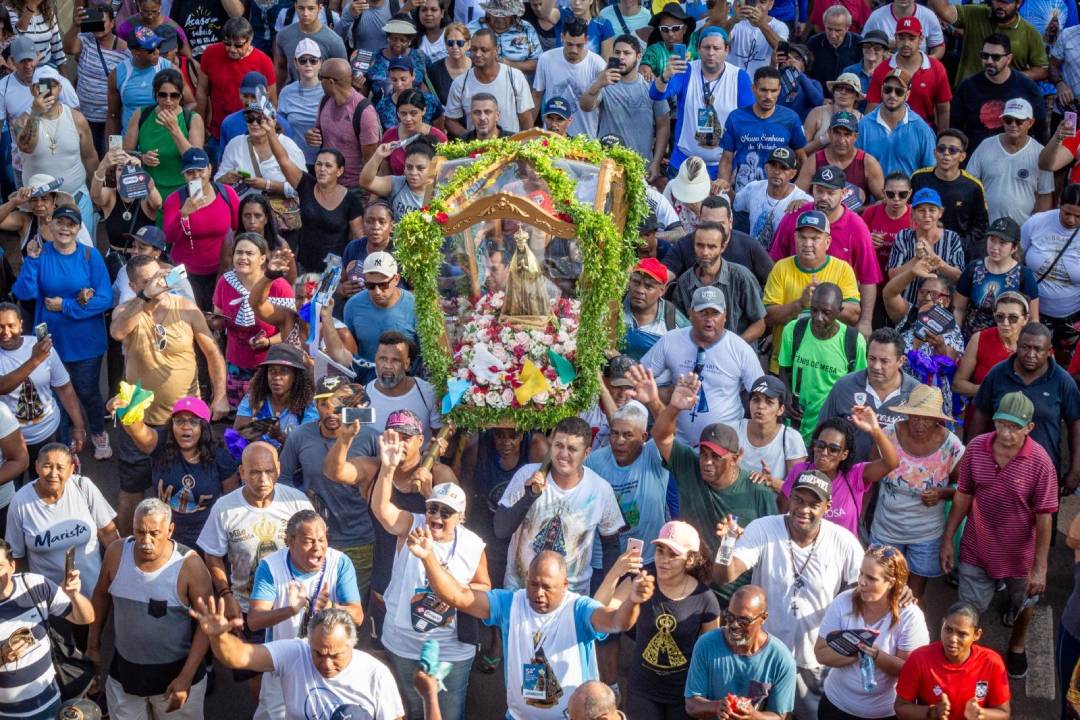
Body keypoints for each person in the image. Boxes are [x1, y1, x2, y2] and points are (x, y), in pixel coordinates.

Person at [410, 539, 653, 719]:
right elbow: (459, 597)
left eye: (547, 587)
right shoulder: (509, 603)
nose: (538, 593)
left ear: (565, 585)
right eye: (533, 584)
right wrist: (428, 557)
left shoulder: (578, 609)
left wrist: (633, 601)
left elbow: (617, 622)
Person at [714, 469, 864, 720]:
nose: (803, 509)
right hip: (764, 656)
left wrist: (900, 591)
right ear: (789, 498)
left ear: (827, 507)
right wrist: (727, 544)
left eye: (813, 503)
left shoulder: (843, 541)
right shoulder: (763, 528)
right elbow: (723, 577)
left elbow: (865, 586)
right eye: (798, 500)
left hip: (812, 662)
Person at [370, 432, 488, 720]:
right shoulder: (413, 525)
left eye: (446, 512)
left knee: (448, 712)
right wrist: (387, 468)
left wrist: (450, 588)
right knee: (409, 709)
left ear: (460, 517)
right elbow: (382, 510)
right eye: (433, 507)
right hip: (402, 643)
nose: (436, 515)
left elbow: (484, 587)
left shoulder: (473, 544)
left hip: (450, 649)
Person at [110, 254, 229, 536]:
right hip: (140, 420)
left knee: (192, 486)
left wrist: (220, 395)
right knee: (131, 490)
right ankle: (128, 550)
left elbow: (212, 353)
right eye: (146, 281)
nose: (156, 285)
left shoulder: (186, 308)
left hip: (186, 419)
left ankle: (198, 545)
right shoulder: (127, 310)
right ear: (133, 284)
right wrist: (144, 298)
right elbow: (117, 332)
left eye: (158, 277)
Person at [943, 390, 1057, 678]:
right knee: (968, 608)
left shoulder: (1041, 462)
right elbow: (963, 496)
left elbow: (1045, 517)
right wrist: (948, 539)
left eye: (1015, 427)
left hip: (1020, 556)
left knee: (1024, 603)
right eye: (1002, 424)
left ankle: (1017, 645)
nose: (1006, 433)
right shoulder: (977, 448)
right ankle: (967, 658)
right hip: (976, 546)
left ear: (1029, 428)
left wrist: (1040, 568)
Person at [195, 441, 313, 694]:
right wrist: (226, 595)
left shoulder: (297, 503)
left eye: (269, 471)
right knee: (258, 684)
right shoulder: (225, 508)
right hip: (247, 611)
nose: (263, 479)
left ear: (279, 470)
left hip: (292, 611)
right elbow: (213, 555)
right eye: (255, 472)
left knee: (299, 679)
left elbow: (318, 549)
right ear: (242, 472)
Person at [87, 499, 213, 720]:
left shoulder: (190, 565)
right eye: (139, 532)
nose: (146, 541)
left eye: (154, 533)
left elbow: (207, 625)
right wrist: (93, 645)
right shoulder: (116, 554)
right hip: (125, 674)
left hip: (176, 677)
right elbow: (100, 596)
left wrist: (186, 677)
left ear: (170, 530)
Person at [11, 205, 111, 459]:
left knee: (87, 391)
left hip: (87, 343)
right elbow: (23, 293)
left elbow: (105, 299)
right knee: (58, 395)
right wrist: (32, 262)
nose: (65, 228)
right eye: (60, 223)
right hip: (52, 343)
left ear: (79, 228)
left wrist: (65, 306)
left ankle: (98, 431)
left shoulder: (90, 256)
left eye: (71, 224)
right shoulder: (40, 253)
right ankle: (66, 447)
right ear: (51, 226)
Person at [592, 521, 720, 718]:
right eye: (660, 551)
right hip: (643, 693)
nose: (664, 560)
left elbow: (710, 654)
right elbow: (597, 612)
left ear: (691, 560)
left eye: (673, 554)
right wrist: (617, 571)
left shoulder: (705, 599)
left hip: (683, 696)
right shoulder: (641, 582)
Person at [192, 601, 406, 719]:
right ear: (308, 641)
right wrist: (218, 636)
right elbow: (238, 656)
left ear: (352, 644)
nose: (326, 664)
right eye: (318, 654)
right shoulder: (295, 652)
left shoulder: (375, 673)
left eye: (335, 655)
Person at [247, 510, 365, 719]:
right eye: (309, 541)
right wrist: (290, 610)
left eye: (322, 540)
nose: (318, 547)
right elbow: (255, 620)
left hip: (329, 662)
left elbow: (357, 615)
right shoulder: (270, 567)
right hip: (285, 665)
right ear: (290, 541)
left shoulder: (340, 562)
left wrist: (331, 606)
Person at [4, 442, 119, 656]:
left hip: (92, 592)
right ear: (36, 467)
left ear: (72, 469)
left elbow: (109, 535)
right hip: (51, 600)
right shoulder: (20, 503)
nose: (53, 473)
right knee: (60, 653)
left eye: (60, 467)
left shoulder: (84, 488)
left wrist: (118, 579)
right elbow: (16, 558)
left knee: (91, 649)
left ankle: (94, 683)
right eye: (47, 466)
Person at [493, 416, 623, 595]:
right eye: (559, 446)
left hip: (571, 598)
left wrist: (608, 592)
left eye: (572, 449)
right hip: (520, 592)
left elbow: (611, 546)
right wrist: (528, 497)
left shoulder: (600, 489)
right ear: (550, 444)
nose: (563, 454)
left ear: (587, 453)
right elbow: (501, 530)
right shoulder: (527, 475)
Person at [278, 377, 380, 602]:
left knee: (351, 611)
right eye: (325, 403)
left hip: (359, 538)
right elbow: (283, 480)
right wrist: (302, 507)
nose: (332, 410)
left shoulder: (371, 437)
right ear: (315, 406)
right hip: (313, 541)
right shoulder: (300, 436)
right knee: (315, 608)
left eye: (339, 403)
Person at [869, 384, 964, 598]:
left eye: (927, 418)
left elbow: (963, 490)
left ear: (937, 420)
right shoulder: (889, 435)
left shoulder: (952, 446)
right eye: (915, 416)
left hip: (927, 533)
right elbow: (868, 477)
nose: (920, 423)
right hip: (886, 528)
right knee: (882, 587)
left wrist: (942, 493)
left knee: (914, 593)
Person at [815, 545, 930, 720]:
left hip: (884, 713)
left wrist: (877, 656)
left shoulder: (910, 616)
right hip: (836, 705)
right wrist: (856, 651)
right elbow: (821, 654)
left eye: (871, 578)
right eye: (861, 573)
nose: (861, 581)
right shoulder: (843, 601)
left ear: (891, 583)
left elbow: (912, 671)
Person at [112, 395, 239, 548]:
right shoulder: (161, 444)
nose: (186, 426)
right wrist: (126, 408)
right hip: (162, 536)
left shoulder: (220, 457)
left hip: (205, 539)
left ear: (204, 428)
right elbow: (139, 432)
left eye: (193, 421)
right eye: (179, 421)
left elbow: (232, 502)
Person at [769, 167, 880, 338]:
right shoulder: (795, 216)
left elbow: (868, 278)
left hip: (836, 320)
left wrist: (865, 322)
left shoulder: (856, 226)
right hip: (793, 319)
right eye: (819, 191)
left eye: (830, 193)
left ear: (843, 193)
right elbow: (775, 261)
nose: (823, 197)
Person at [641, 285, 761, 442]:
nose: (709, 319)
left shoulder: (740, 349)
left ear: (725, 315)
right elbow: (641, 377)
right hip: (676, 443)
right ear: (690, 313)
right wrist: (663, 393)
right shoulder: (671, 340)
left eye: (715, 313)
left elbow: (760, 394)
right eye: (703, 312)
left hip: (722, 447)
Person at [968, 322, 1080, 491]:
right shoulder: (997, 373)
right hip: (997, 468)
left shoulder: (1063, 381)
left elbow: (1075, 426)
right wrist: (972, 457)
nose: (1031, 354)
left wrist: (1075, 470)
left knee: (1043, 517)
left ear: (1049, 351)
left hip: (1043, 473)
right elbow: (979, 416)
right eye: (1025, 347)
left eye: (1038, 349)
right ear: (1017, 346)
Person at [762, 210, 861, 373]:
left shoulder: (842, 269)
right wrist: (801, 304)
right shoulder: (781, 268)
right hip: (786, 364)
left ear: (828, 242)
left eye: (815, 238)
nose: (807, 244)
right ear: (795, 239)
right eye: (802, 237)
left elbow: (854, 315)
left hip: (828, 366)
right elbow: (768, 317)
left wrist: (824, 301)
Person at [649, 26, 753, 180]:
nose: (711, 53)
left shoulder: (739, 77)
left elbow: (748, 119)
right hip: (683, 162)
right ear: (698, 48)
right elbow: (656, 94)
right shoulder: (686, 70)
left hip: (721, 167)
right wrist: (665, 75)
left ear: (727, 50)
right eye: (706, 47)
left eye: (716, 48)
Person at [780, 406, 898, 538]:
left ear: (844, 454)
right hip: (803, 551)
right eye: (820, 445)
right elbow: (783, 513)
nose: (824, 453)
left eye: (833, 449)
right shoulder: (800, 471)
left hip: (843, 555)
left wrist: (875, 431)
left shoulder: (854, 475)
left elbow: (891, 463)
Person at [684, 585, 797, 718]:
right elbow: (691, 704)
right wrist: (717, 707)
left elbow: (779, 716)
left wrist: (752, 715)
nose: (734, 624)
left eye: (743, 620)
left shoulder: (781, 659)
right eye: (730, 616)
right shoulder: (706, 644)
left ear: (763, 618)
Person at [0, 303, 86, 478]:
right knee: (13, 496)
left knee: (51, 489)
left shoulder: (41, 347)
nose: (5, 333)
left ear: (21, 325)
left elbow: (64, 388)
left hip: (50, 434)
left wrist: (79, 425)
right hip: (10, 445)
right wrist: (35, 360)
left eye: (11, 326)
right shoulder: (38, 354)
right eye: (0, 327)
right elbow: (3, 387)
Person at [779, 282, 868, 443]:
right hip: (796, 426)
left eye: (826, 312)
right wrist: (787, 396)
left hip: (831, 432)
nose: (818, 318)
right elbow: (784, 368)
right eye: (814, 310)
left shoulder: (853, 341)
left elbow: (859, 386)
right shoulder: (793, 330)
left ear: (839, 311)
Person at [212, 232, 294, 406]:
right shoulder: (225, 282)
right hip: (236, 363)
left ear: (263, 258)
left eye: (249, 253)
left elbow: (292, 332)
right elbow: (218, 318)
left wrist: (268, 341)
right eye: (239, 252)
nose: (243, 257)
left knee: (266, 416)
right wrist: (211, 322)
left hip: (270, 367)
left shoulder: (279, 286)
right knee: (240, 416)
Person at [15, 74, 99, 236]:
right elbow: (27, 147)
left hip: (77, 199)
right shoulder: (23, 120)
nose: (47, 91)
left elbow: (90, 157)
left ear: (60, 88)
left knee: (84, 254)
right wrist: (36, 113)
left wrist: (98, 192)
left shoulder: (76, 118)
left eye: (52, 85)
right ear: (33, 90)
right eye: (41, 86)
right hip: (40, 206)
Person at [819, 327, 921, 461]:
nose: (876, 366)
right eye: (872, 358)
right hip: (849, 474)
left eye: (884, 361)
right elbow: (822, 432)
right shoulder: (844, 387)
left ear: (901, 361)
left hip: (897, 477)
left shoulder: (917, 393)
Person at [895, 602, 1011, 720]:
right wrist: (932, 712)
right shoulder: (919, 659)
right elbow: (901, 708)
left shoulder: (991, 662)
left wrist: (980, 714)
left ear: (976, 634)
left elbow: (1003, 713)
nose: (952, 639)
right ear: (942, 625)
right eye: (948, 629)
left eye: (962, 634)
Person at [578, 33, 669, 179]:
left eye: (627, 53)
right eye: (617, 52)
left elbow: (663, 125)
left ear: (638, 56)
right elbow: (585, 106)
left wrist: (656, 162)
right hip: (608, 166)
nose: (621, 57)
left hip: (640, 168)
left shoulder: (650, 85)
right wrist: (598, 84)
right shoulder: (604, 81)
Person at [881, 271, 965, 413]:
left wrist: (939, 347)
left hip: (931, 403)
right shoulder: (907, 318)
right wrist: (912, 271)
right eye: (923, 292)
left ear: (947, 301)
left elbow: (947, 364)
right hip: (897, 395)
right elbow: (889, 293)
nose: (926, 297)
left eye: (934, 294)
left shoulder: (951, 330)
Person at [718, 66, 808, 194]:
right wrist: (724, 192)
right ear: (753, 89)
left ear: (779, 90)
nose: (769, 96)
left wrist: (798, 194)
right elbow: (726, 159)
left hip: (779, 196)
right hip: (742, 193)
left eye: (773, 91)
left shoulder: (791, 118)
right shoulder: (735, 118)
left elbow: (802, 159)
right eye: (763, 90)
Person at [951, 34, 1048, 152]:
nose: (989, 61)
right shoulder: (967, 87)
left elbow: (1041, 131)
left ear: (1008, 58)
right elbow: (955, 129)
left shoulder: (1028, 88)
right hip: (976, 157)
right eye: (985, 56)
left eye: (996, 57)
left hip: (1015, 156)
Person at [671, 222, 766, 341]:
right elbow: (678, 327)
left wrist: (730, 347)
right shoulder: (684, 282)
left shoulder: (742, 277)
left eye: (711, 246)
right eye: (700, 245)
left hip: (736, 355)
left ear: (723, 247)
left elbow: (759, 324)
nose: (705, 252)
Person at [966, 98, 1053, 225]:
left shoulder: (1041, 153)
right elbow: (970, 183)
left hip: (1023, 230)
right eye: (1008, 120)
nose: (1013, 124)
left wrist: (1037, 227)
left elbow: (1045, 194)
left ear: (1030, 122)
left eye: (1019, 121)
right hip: (985, 228)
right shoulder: (985, 146)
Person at [196, 18, 277, 152]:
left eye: (238, 45)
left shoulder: (264, 61)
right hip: (218, 133)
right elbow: (201, 91)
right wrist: (200, 126)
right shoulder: (210, 53)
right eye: (227, 44)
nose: (232, 49)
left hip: (251, 133)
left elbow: (272, 101)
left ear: (250, 41)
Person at [1020, 184, 1080, 364]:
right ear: (1059, 204)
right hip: (1035, 312)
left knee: (1066, 367)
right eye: (1067, 213)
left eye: (1078, 216)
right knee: (1033, 361)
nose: (1071, 220)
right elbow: (1017, 257)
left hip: (1072, 316)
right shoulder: (1037, 222)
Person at [124, 68, 203, 201]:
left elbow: (196, 161)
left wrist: (175, 130)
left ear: (181, 95)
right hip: (149, 191)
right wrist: (142, 158)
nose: (168, 101)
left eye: (174, 95)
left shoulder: (192, 119)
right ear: (155, 95)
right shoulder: (141, 115)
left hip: (184, 191)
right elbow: (126, 152)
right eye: (162, 95)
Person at [909, 129, 989, 262]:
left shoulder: (973, 186)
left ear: (962, 156)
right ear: (935, 153)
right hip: (921, 249)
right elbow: (908, 213)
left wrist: (960, 244)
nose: (946, 154)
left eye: (952, 150)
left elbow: (981, 225)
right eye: (941, 149)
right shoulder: (919, 178)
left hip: (958, 253)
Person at [953, 291, 1030, 428]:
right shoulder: (980, 339)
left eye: (1013, 318)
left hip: (1018, 424)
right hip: (980, 420)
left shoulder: (1034, 346)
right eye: (1000, 317)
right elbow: (958, 384)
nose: (1005, 323)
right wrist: (989, 389)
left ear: (1025, 319)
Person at [953, 217, 1039, 338]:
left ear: (1014, 248)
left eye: (1002, 243)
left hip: (1007, 342)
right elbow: (959, 308)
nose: (995, 247)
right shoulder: (973, 268)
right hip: (971, 337)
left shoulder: (1024, 275)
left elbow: (1033, 319)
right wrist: (955, 337)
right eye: (992, 240)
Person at [928, 0, 1048, 84]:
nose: (999, 5)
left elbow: (1042, 70)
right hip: (969, 93)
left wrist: (1011, 77)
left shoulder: (1029, 32)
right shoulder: (974, 14)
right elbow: (943, 10)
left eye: (1005, 2)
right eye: (996, 0)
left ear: (1018, 3)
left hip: (1005, 100)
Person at [62, 3, 129, 154]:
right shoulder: (86, 39)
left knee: (112, 157)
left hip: (111, 120)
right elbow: (68, 48)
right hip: (84, 117)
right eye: (96, 22)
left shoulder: (124, 51)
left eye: (103, 22)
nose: (98, 26)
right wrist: (75, 25)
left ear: (112, 23)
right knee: (87, 158)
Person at [865, 16, 951, 131]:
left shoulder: (936, 68)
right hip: (889, 132)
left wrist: (942, 139)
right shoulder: (883, 68)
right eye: (901, 38)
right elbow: (872, 107)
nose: (906, 43)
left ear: (920, 39)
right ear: (895, 38)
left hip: (924, 132)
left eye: (911, 38)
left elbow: (943, 109)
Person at [444, 28, 533, 136]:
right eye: (474, 49)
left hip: (510, 149)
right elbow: (450, 120)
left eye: (484, 50)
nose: (477, 54)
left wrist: (522, 145)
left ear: (496, 50)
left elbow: (526, 119)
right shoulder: (460, 83)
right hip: (476, 151)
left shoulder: (515, 77)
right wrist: (471, 140)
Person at [885, 188, 965, 306]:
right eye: (921, 210)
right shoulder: (903, 236)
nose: (927, 215)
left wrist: (934, 258)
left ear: (940, 213)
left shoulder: (952, 238)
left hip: (941, 307)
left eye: (932, 210)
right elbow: (893, 276)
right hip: (907, 305)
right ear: (913, 213)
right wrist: (916, 259)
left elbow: (959, 277)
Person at [855, 68, 936, 177]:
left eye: (899, 91)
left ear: (907, 94)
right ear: (881, 90)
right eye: (888, 89)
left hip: (907, 193)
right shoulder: (863, 125)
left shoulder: (921, 129)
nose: (892, 95)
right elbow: (855, 167)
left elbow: (930, 170)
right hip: (871, 193)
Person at [798, 109, 883, 209]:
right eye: (837, 133)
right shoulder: (814, 161)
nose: (841, 140)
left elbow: (884, 200)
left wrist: (854, 211)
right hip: (821, 221)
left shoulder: (868, 163)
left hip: (857, 221)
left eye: (847, 134)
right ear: (829, 133)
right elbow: (797, 197)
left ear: (855, 137)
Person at [734, 375, 807, 490]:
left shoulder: (791, 439)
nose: (761, 406)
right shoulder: (734, 430)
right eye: (756, 400)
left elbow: (798, 490)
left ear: (780, 409)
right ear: (749, 403)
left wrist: (771, 482)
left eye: (769, 402)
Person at [235, 344, 317, 446]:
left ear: (296, 376)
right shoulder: (253, 398)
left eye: (284, 371)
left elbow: (305, 446)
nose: (277, 377)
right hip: (259, 457)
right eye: (272, 371)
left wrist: (279, 436)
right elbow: (237, 435)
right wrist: (252, 432)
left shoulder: (308, 404)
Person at [734, 146, 811, 250]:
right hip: (753, 255)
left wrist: (808, 206)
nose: (777, 171)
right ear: (766, 168)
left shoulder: (802, 199)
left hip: (783, 259)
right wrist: (724, 187)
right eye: (774, 166)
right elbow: (736, 204)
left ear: (793, 174)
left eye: (783, 168)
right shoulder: (753, 188)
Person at [106, 26, 173, 138]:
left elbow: (190, 103)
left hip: (162, 144)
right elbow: (113, 116)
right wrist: (113, 149)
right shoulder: (118, 74)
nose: (157, 52)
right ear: (136, 53)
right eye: (151, 50)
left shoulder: (168, 69)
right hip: (130, 148)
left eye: (158, 46)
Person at [622, 257, 687, 361]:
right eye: (636, 282)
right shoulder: (614, 307)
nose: (640, 290)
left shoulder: (673, 321)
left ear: (662, 290)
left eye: (648, 286)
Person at [273, 0, 346, 87]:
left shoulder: (334, 41)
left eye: (311, 8)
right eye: (301, 8)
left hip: (323, 97)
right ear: (295, 7)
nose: (305, 13)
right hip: (291, 96)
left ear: (319, 8)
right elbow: (281, 68)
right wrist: (277, 96)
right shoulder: (283, 36)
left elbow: (343, 76)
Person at [360, 139, 435, 220]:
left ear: (431, 169)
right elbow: (366, 182)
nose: (413, 172)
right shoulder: (396, 183)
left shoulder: (440, 191)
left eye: (420, 168)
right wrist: (378, 155)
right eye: (409, 167)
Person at [861, 173, 913, 285]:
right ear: (883, 193)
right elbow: (858, 244)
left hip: (902, 283)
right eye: (890, 194)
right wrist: (868, 240)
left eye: (902, 194)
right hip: (873, 280)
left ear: (910, 194)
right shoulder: (871, 212)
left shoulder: (915, 216)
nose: (896, 199)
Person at [862, 0, 945, 59]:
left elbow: (939, 47)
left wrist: (923, 62)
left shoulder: (928, 16)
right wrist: (882, 51)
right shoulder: (876, 16)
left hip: (918, 73)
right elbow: (863, 44)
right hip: (883, 70)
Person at [807, 7, 863, 84]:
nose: (833, 35)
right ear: (824, 25)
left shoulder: (859, 44)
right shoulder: (814, 42)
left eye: (838, 30)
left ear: (847, 28)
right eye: (829, 29)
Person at [427, 23, 471, 105]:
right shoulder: (434, 70)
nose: (455, 47)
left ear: (468, 44)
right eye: (450, 43)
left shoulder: (478, 67)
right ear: (445, 44)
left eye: (460, 43)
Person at [841, 30, 889, 98]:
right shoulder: (849, 71)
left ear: (885, 51)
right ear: (862, 48)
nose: (871, 49)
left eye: (877, 47)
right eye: (867, 46)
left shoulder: (890, 74)